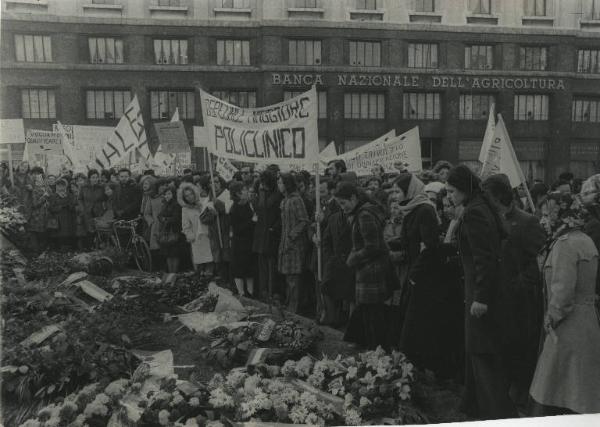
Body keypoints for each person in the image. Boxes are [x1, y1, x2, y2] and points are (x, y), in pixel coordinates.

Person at [446, 164, 517, 420]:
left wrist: (481, 298)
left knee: (482, 353)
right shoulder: (480, 207)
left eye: (452, 191)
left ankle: (496, 413)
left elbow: (484, 259)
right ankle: (475, 405)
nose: (449, 196)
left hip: (481, 294)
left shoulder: (475, 213)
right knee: (477, 351)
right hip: (482, 291)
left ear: (464, 189)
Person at [530, 193, 600, 416]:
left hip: (567, 328)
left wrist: (550, 319)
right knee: (581, 389)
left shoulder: (565, 244)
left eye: (546, 215)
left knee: (555, 389)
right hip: (587, 322)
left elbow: (562, 293)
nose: (543, 221)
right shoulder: (585, 239)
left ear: (559, 214)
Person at [482, 174, 546, 411]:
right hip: (496, 298)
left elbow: (540, 258)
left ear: (499, 196)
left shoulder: (528, 222)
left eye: (487, 196)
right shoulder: (488, 220)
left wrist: (520, 283)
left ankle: (520, 396)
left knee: (519, 349)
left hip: (520, 303)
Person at [391, 174, 449, 378]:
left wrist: (415, 275)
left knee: (417, 323)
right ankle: (414, 365)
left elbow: (429, 246)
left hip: (423, 275)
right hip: (414, 271)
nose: (395, 195)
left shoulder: (424, 210)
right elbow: (409, 240)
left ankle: (420, 367)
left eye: (398, 191)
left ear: (410, 191)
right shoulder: (412, 209)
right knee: (410, 322)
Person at [335, 181, 391, 349]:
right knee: (369, 313)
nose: (342, 208)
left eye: (343, 203)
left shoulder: (364, 215)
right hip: (370, 270)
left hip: (371, 272)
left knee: (372, 315)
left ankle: (376, 350)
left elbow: (373, 246)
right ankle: (372, 346)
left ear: (353, 198)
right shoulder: (363, 212)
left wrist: (354, 258)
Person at [278, 173, 309, 313]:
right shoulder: (284, 200)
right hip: (285, 243)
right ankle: (290, 303)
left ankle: (294, 308)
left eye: (280, 182)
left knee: (294, 278)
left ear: (286, 184)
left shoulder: (296, 200)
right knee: (288, 277)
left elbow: (304, 220)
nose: (278, 185)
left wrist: (292, 236)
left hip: (295, 245)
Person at [252, 169, 283, 301]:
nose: (262, 185)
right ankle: (264, 292)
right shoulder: (261, 193)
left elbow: (279, 216)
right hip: (261, 234)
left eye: (264, 182)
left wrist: (274, 228)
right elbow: (259, 210)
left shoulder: (277, 195)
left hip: (271, 235)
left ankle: (273, 292)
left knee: (272, 266)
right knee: (263, 266)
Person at [178, 182, 214, 275]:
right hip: (197, 239)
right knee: (200, 266)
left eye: (191, 194)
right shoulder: (185, 209)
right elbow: (185, 226)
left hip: (209, 237)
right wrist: (191, 236)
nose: (190, 197)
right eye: (187, 196)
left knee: (211, 263)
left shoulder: (204, 202)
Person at [229, 181, 256, 297]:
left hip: (249, 241)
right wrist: (252, 221)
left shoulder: (249, 204)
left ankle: (251, 292)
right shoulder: (234, 209)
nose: (247, 192)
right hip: (239, 243)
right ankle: (242, 293)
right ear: (238, 194)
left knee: (250, 269)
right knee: (239, 269)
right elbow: (237, 229)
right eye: (245, 190)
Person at [144, 178, 168, 270]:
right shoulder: (152, 197)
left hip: (167, 225)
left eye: (165, 185)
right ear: (157, 187)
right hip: (156, 226)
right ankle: (156, 270)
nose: (164, 187)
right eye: (162, 185)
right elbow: (146, 213)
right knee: (155, 249)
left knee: (166, 248)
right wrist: (151, 222)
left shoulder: (169, 196)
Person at [158, 185, 183, 273]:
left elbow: (176, 218)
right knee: (168, 254)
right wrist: (164, 219)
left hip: (175, 231)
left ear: (173, 194)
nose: (167, 196)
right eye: (165, 194)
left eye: (169, 194)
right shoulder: (165, 204)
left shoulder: (176, 204)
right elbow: (159, 215)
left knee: (174, 254)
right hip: (167, 232)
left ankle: (174, 272)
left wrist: (165, 219)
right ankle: (170, 272)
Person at [78, 169, 105, 249]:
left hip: (98, 211)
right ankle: (88, 248)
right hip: (87, 211)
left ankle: (97, 248)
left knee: (98, 230)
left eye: (96, 177)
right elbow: (80, 199)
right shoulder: (84, 187)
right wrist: (82, 209)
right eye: (93, 177)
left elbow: (105, 198)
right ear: (89, 178)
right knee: (88, 231)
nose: (95, 179)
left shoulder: (101, 187)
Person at [47, 178, 76, 250]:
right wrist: (61, 207)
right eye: (59, 185)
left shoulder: (70, 195)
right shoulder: (53, 196)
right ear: (56, 186)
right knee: (59, 235)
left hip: (68, 218)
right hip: (58, 219)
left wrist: (69, 205)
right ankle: (58, 248)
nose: (61, 187)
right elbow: (51, 208)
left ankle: (68, 247)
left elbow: (73, 205)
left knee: (68, 234)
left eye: (62, 185)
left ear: (65, 186)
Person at [28, 167, 49, 252]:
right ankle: (36, 251)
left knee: (43, 234)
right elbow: (35, 204)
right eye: (37, 180)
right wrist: (44, 197)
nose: (39, 182)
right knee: (35, 234)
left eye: (41, 180)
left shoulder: (46, 189)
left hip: (44, 216)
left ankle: (42, 251)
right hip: (36, 217)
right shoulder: (34, 190)